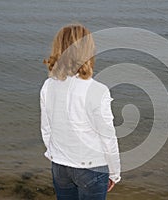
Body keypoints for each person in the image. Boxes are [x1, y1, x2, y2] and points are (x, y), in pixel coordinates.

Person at [40, 24, 121, 200]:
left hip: (60, 165)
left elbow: (46, 129)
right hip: (91, 168)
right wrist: (114, 173)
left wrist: (57, 154)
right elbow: (107, 137)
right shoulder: (97, 90)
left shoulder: (49, 85)